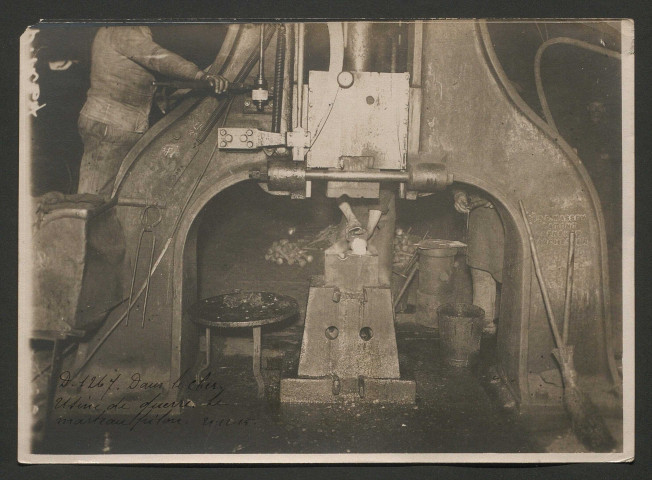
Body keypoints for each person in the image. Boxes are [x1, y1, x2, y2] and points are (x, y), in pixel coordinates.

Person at [77, 26, 229, 198]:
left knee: (103, 200)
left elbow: (136, 74)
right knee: (93, 201)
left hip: (114, 122)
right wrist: (199, 76)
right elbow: (157, 58)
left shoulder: (120, 30)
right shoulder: (122, 30)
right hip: (111, 125)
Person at [453, 189, 505, 335]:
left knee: (511, 275)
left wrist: (498, 199)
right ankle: (483, 329)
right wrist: (459, 194)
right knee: (481, 272)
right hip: (480, 221)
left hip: (507, 222)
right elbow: (462, 177)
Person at [325, 187, 396, 286]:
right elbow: (337, 190)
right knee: (338, 261)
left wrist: (368, 233)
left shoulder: (383, 178)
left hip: (381, 210)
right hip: (352, 210)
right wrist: (351, 218)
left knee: (381, 275)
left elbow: (381, 197)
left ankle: (380, 295)